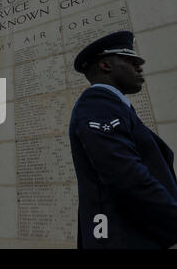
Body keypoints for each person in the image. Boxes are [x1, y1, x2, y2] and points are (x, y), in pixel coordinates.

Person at [69, 31, 177, 249]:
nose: (139, 67)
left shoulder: (116, 107)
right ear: (106, 65)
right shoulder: (98, 104)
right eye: (131, 61)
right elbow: (127, 177)